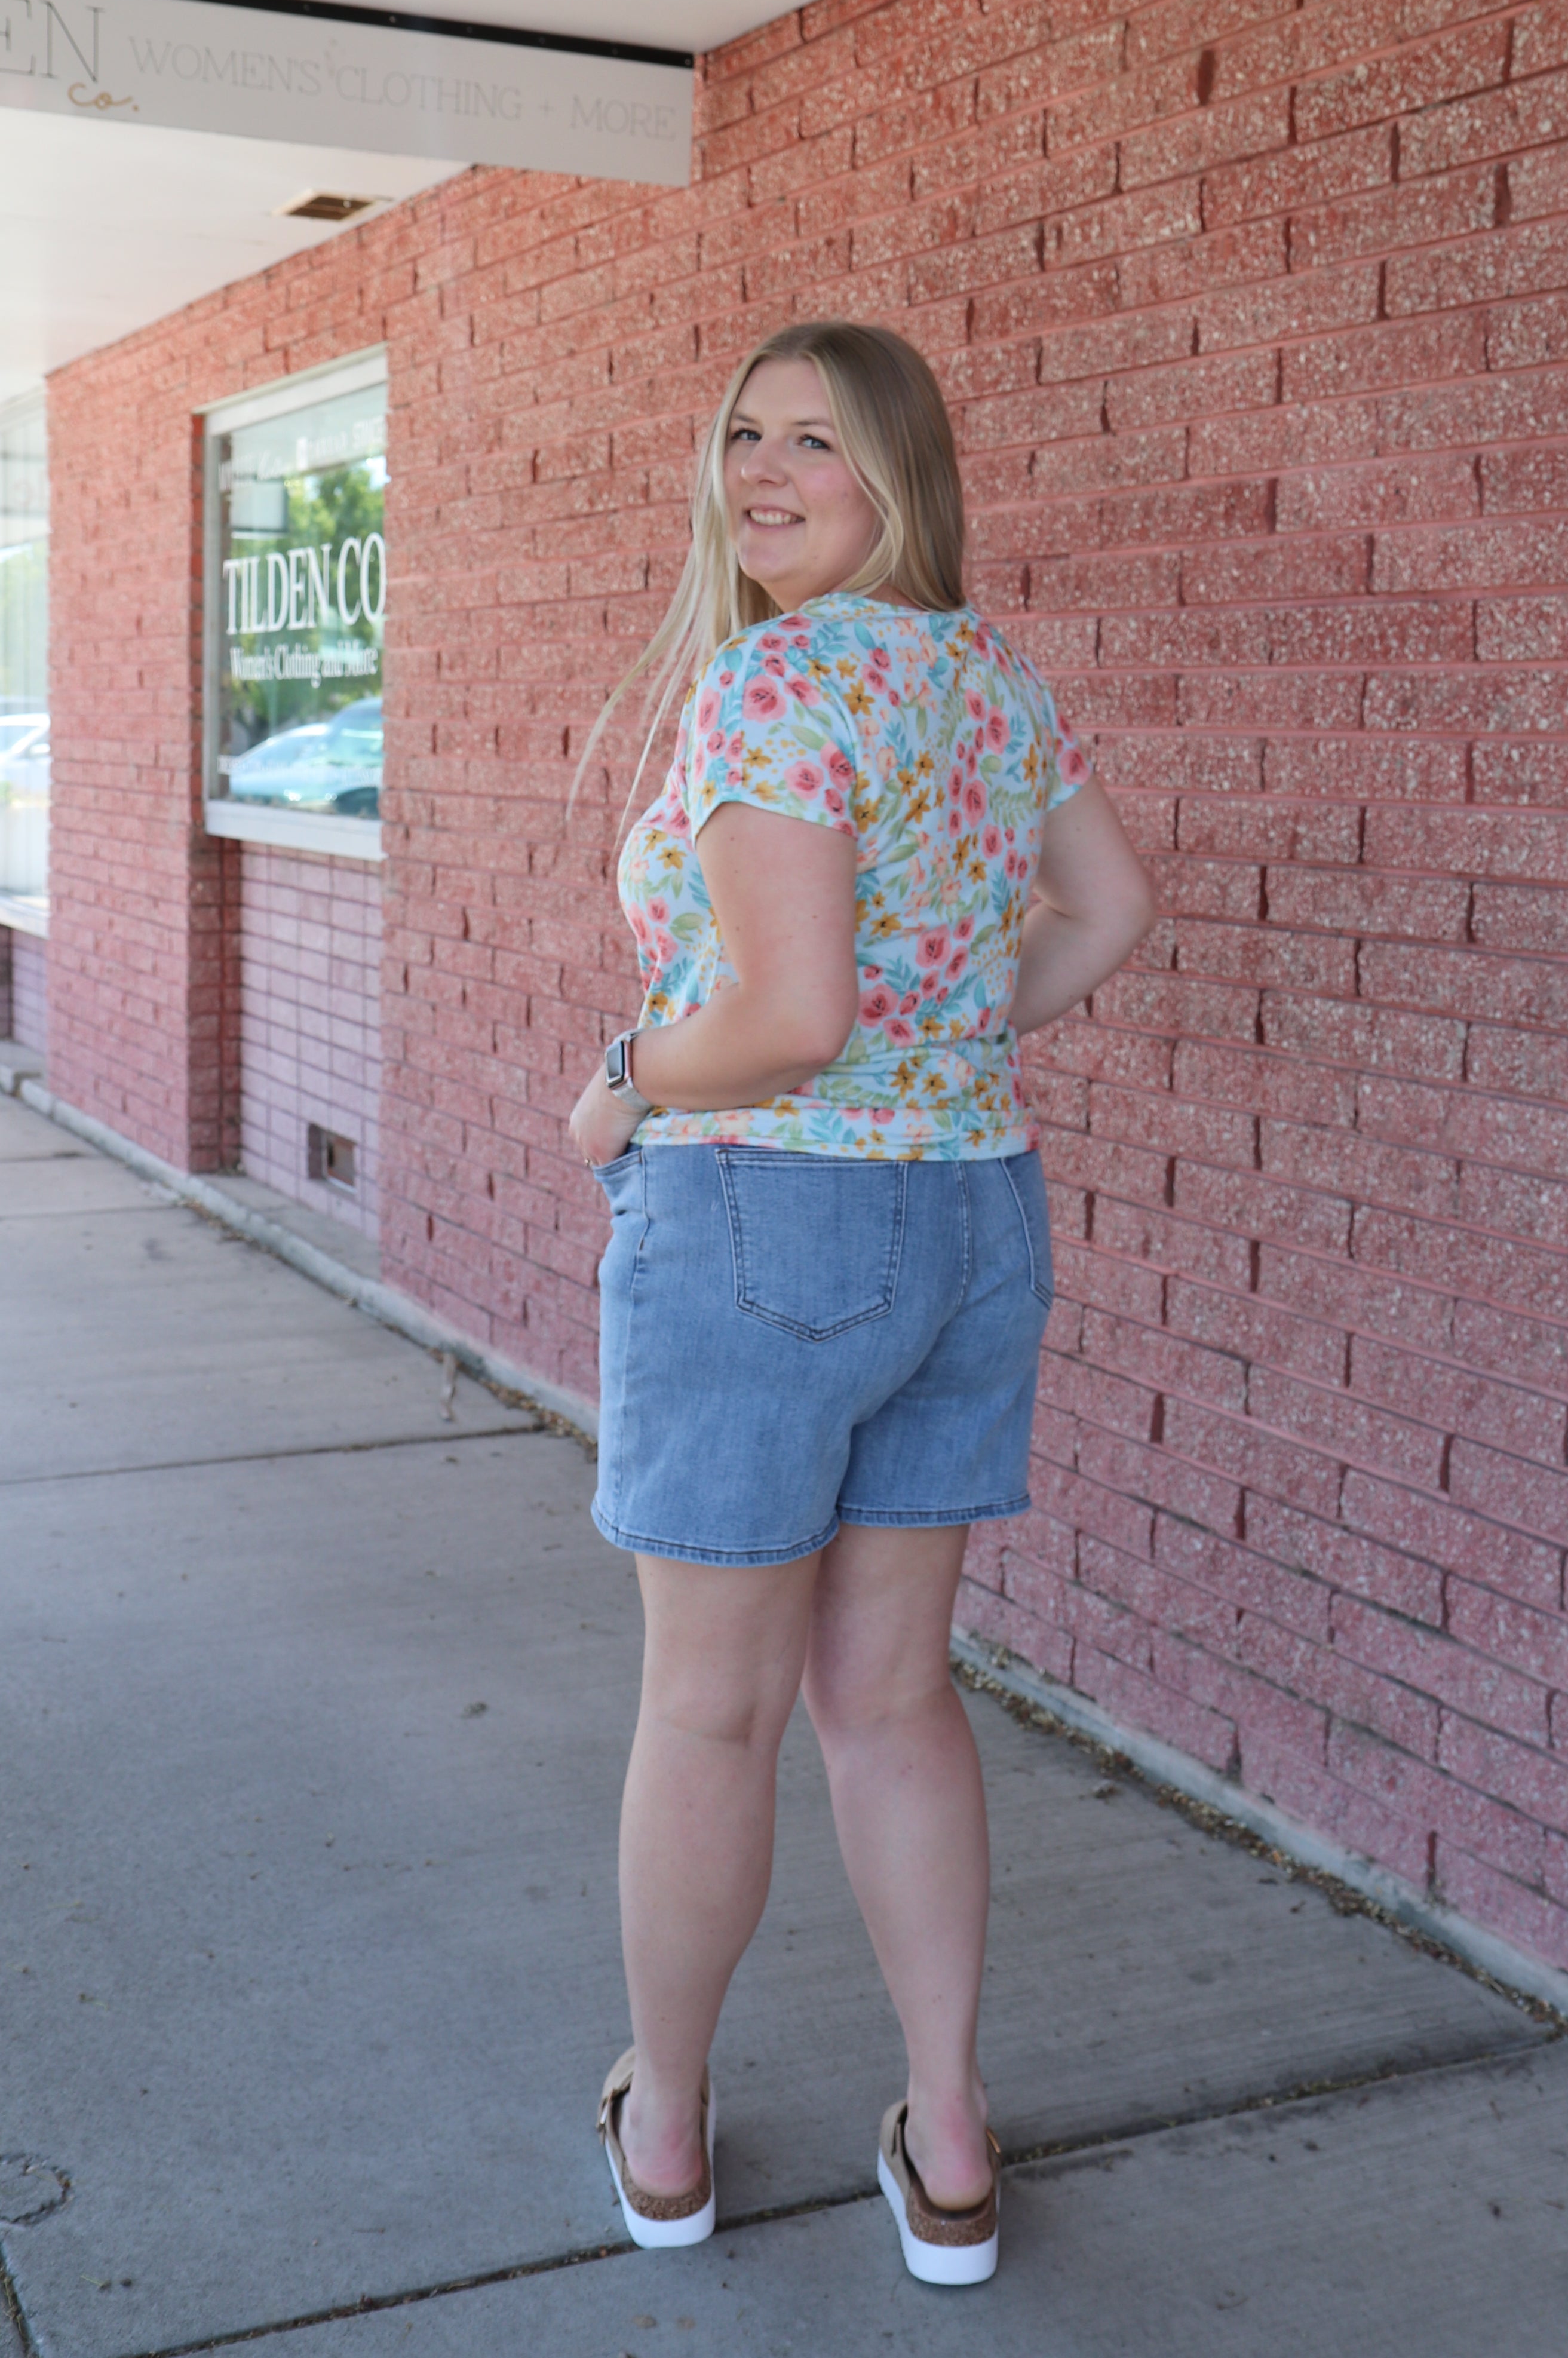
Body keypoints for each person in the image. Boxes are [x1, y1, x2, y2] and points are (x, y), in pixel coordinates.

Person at [569, 321, 1155, 2286]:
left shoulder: (779, 677)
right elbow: (1110, 910)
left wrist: (625, 1078)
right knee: (895, 1697)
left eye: (816, 439)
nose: (762, 468)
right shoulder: (991, 678)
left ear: (900, 469)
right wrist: (950, 1048)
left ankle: (666, 2131)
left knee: (710, 1708)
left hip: (764, 1220)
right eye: (743, 431)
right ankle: (951, 2140)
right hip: (970, 1217)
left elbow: (789, 1016)